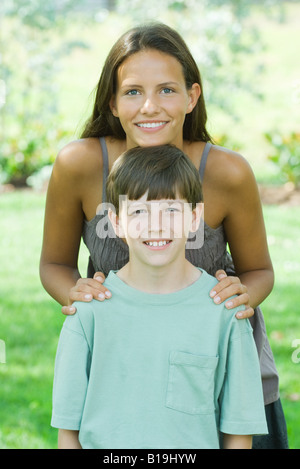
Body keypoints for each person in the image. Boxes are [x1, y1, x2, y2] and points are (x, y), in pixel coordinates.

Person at [40, 23, 288, 448]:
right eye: (133, 91)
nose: (150, 106)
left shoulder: (226, 172)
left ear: (192, 96)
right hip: (121, 377)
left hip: (213, 365)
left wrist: (241, 295)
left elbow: (259, 270)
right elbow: (53, 264)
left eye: (167, 91)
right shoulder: (79, 165)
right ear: (113, 102)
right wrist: (81, 298)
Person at [51, 144, 268, 449]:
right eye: (139, 210)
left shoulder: (225, 312)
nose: (156, 225)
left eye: (171, 210)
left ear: (195, 218)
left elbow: (238, 431)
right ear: (115, 222)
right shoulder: (88, 314)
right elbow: (68, 431)